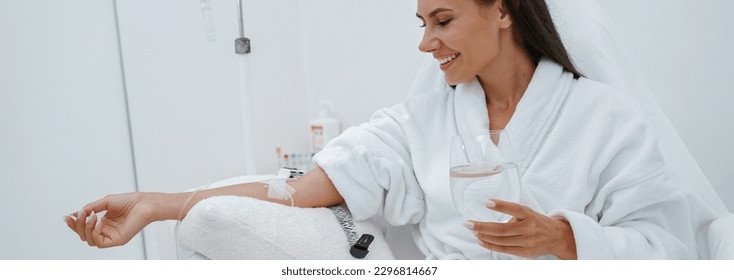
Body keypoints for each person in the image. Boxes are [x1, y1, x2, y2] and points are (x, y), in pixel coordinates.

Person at [65, 0, 698, 259]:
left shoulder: (604, 120)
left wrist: (563, 239)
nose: (426, 42)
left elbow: (669, 247)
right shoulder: (424, 118)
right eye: (420, 23)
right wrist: (160, 204)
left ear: (503, 10)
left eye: (443, 21)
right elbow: (309, 187)